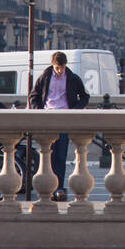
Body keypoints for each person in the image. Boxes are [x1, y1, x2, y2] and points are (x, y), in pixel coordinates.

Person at [28, 51, 90, 201]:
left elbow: (85, 96)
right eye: (57, 68)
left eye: (62, 68)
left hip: (64, 118)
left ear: (65, 65)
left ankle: (59, 187)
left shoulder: (73, 78)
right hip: (47, 118)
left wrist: (74, 111)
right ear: (52, 65)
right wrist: (39, 111)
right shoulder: (44, 76)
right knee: (48, 155)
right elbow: (33, 96)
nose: (60, 71)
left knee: (61, 155)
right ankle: (49, 187)